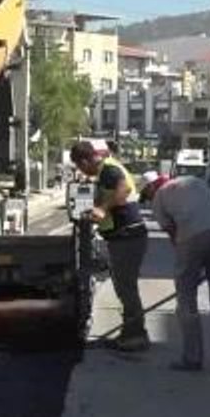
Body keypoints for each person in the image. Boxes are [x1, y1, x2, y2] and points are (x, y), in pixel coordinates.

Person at [70, 140, 150, 352]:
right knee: (123, 287)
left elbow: (122, 190)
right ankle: (130, 332)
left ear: (86, 160)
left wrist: (103, 209)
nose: (81, 171)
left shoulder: (109, 170)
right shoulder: (105, 171)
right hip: (123, 237)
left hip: (128, 236)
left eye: (80, 166)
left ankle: (136, 335)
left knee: (126, 288)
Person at [152, 174, 210, 373]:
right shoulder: (196, 181)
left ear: (151, 188)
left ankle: (192, 358)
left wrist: (188, 268)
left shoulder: (159, 196)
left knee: (186, 301)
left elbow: (174, 234)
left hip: (191, 237)